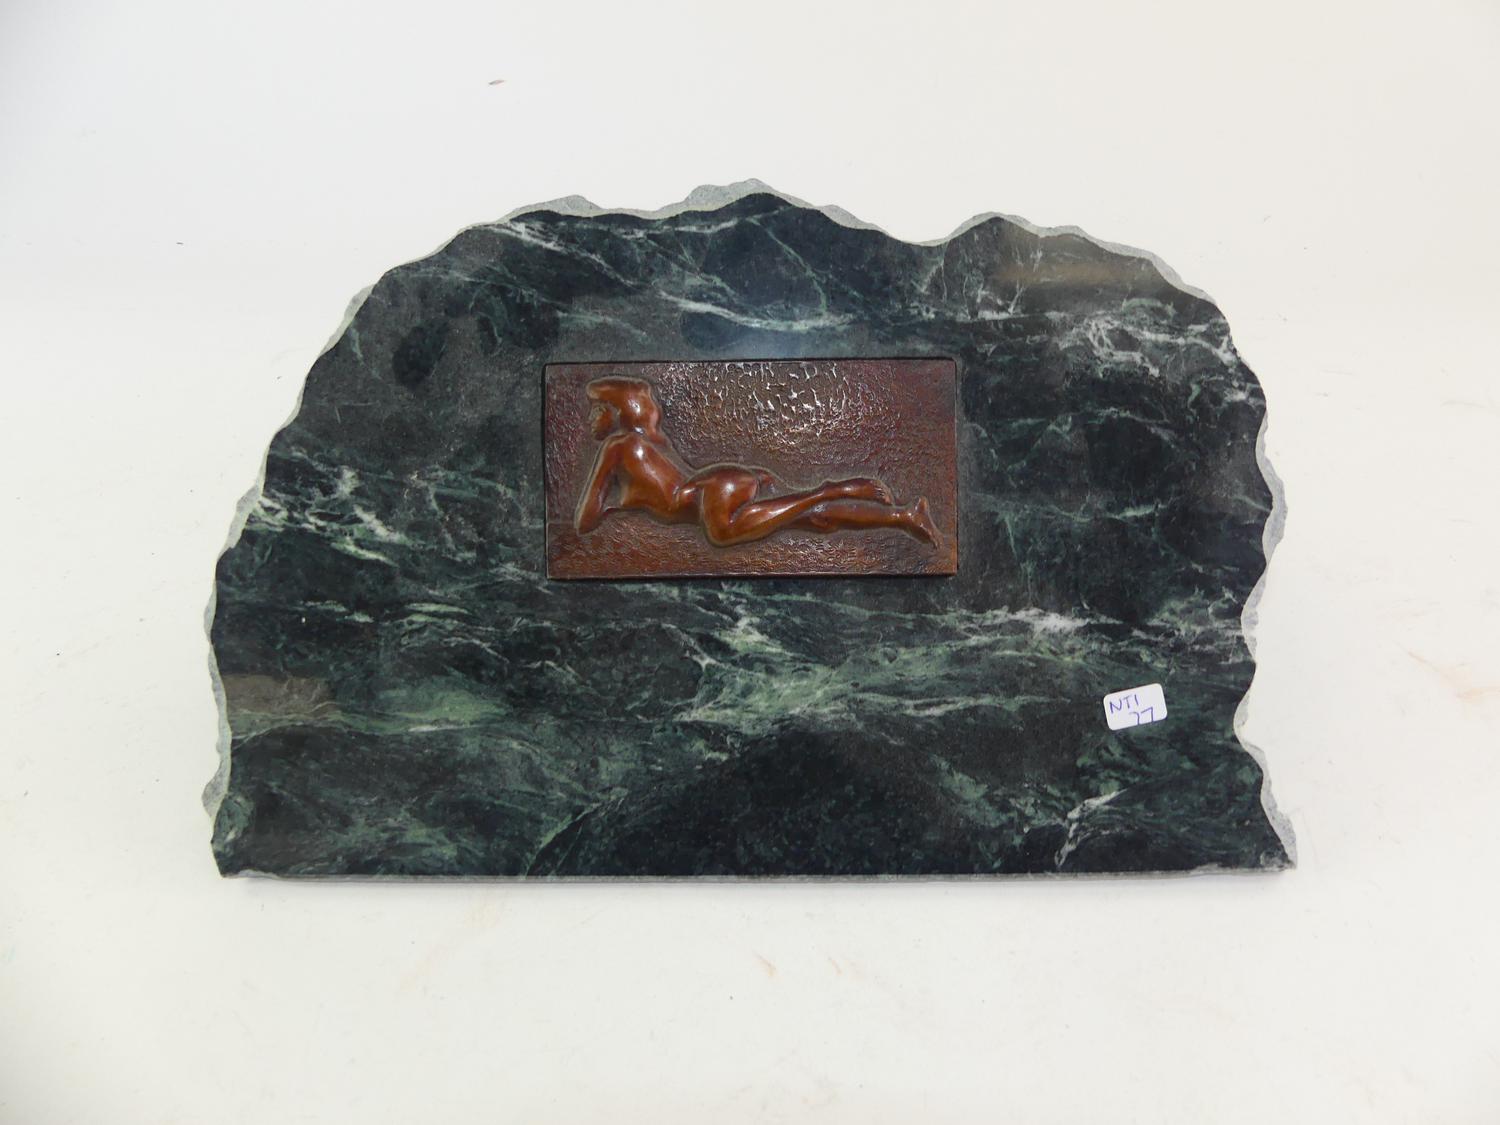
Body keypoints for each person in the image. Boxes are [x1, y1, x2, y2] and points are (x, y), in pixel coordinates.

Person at [573, 376, 939, 547]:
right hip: (719, 484)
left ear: (617, 412)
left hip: (711, 494)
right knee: (816, 521)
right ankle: (904, 517)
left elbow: (585, 520)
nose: (591, 419)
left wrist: (615, 507)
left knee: (722, 533)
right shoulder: (642, 444)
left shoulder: (618, 446)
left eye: (598, 410)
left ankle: (828, 490)